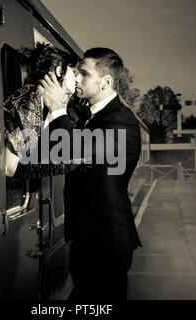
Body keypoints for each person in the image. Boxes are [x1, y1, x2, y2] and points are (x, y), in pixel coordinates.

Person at [37, 48, 142, 300]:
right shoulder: (89, 116)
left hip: (106, 240)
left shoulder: (121, 120)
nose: (78, 78)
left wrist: (57, 108)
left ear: (106, 82)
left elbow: (72, 149)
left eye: (84, 73)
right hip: (87, 235)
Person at [3, 42, 79, 177]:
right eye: (73, 72)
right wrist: (62, 166)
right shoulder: (32, 97)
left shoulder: (42, 100)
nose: (77, 78)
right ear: (59, 70)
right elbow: (9, 166)